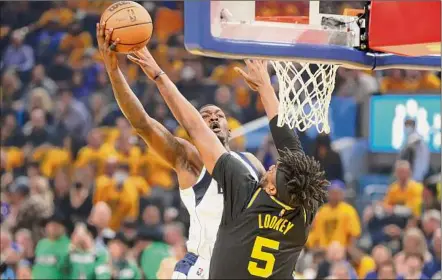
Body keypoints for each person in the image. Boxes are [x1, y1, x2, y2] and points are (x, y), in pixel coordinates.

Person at [124, 32, 328, 278]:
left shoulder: (245, 192)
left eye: (275, 170)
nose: (272, 166)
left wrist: (158, 74)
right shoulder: (304, 207)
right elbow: (289, 141)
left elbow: (195, 127)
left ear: (271, 190)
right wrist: (265, 88)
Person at [96, 24, 265, 279]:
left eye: (219, 115)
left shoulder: (251, 162)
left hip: (244, 266)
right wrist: (113, 70)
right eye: (205, 116)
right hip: (203, 266)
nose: (214, 118)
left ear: (230, 130)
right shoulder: (191, 159)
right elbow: (142, 123)